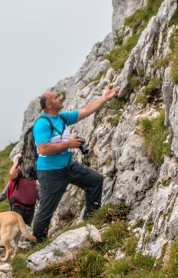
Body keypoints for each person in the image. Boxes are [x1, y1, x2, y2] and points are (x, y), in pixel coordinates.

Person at [31, 85, 119, 242]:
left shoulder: (62, 118)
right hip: (50, 172)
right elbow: (43, 149)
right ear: (49, 104)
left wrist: (105, 97)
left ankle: (90, 222)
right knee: (46, 209)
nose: (60, 98)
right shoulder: (42, 123)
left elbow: (85, 111)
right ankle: (36, 242)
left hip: (69, 166)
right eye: (56, 97)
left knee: (95, 181)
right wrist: (67, 144)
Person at [0, 153, 37, 226]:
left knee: (27, 228)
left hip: (30, 208)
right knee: (17, 227)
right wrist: (16, 161)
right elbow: (11, 174)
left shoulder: (32, 175)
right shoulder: (17, 176)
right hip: (18, 207)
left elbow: (35, 190)